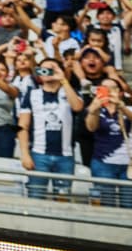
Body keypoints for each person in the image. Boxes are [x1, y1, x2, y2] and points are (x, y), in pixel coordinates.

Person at [17, 58, 84, 200]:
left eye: (51, 68)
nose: (46, 72)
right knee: (35, 198)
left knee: (62, 201)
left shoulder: (70, 91)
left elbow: (77, 107)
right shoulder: (32, 94)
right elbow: (23, 126)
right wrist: (25, 154)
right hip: (39, 154)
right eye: (42, 69)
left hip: (65, 156)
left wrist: (63, 79)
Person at [85, 80, 132, 208]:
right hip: (103, 163)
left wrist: (121, 106)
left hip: (129, 164)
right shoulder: (95, 108)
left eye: (113, 88)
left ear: (120, 92)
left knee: (129, 205)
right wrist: (94, 110)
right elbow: (91, 128)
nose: (109, 91)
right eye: (104, 88)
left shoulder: (130, 108)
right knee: (106, 205)